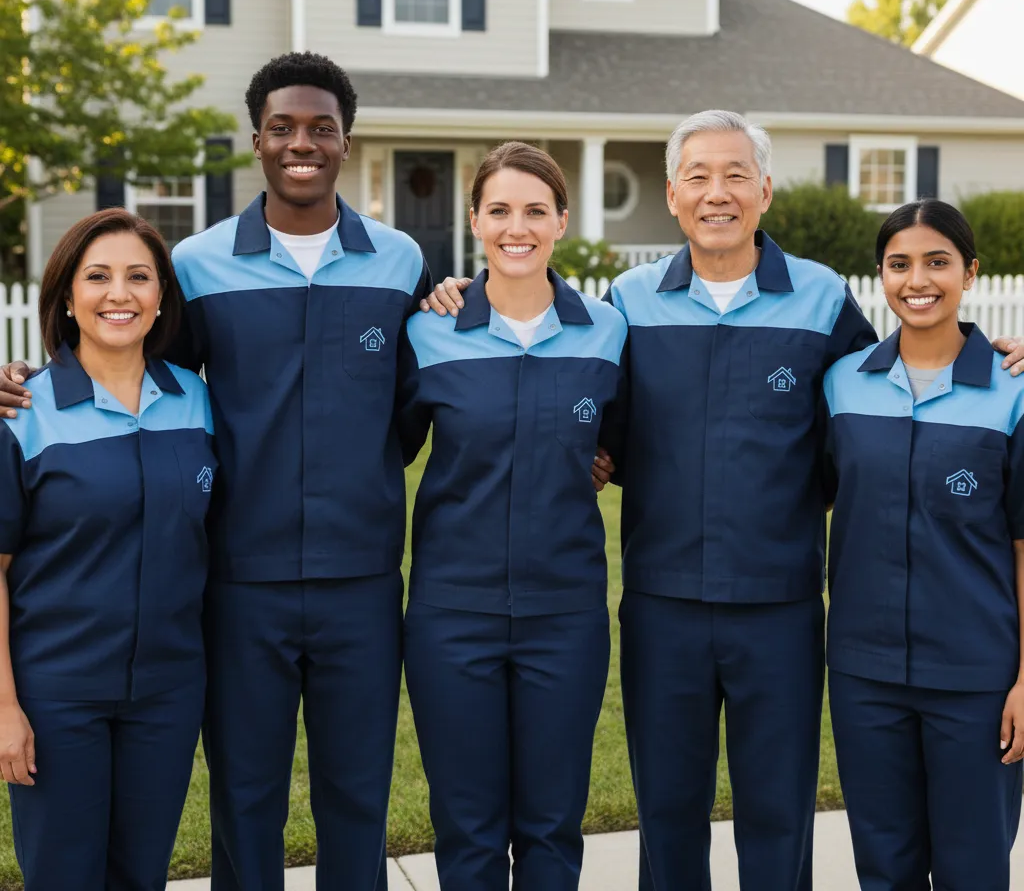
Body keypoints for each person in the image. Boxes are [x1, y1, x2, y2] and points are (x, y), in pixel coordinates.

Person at [422, 111, 1024, 891]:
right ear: (672, 195)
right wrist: (462, 292)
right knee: (668, 820)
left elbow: (896, 382)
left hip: (779, 609)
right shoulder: (629, 305)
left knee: (778, 819)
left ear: (765, 190)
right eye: (699, 177)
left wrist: (998, 346)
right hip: (661, 605)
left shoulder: (818, 299)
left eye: (737, 175)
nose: (718, 193)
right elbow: (582, 407)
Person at [0, 52, 430, 890]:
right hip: (237, 590)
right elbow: (132, 361)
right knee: (246, 799)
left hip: (363, 585)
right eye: (282, 127)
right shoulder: (193, 267)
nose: (300, 142)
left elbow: (415, 408)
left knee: (357, 798)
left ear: (347, 140)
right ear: (257, 140)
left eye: (320, 128)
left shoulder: (400, 261)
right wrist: (28, 378)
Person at [397, 142, 627, 890]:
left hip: (564, 617)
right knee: (466, 827)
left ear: (562, 220)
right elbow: (381, 449)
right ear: (475, 220)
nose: (516, 227)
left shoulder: (608, 331)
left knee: (553, 827)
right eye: (499, 210)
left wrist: (601, 459)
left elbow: (631, 442)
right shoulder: (426, 332)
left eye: (535, 210)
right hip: (450, 617)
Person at [0, 210, 214, 890]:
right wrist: (5, 709)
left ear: (160, 300)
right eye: (98, 277)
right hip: (57, 695)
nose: (119, 294)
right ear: (67, 296)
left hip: (168, 692)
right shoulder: (23, 414)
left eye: (138, 277)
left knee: (142, 875)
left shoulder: (198, 404)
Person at [823, 200, 1024, 889]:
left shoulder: (1013, 392)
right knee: (884, 868)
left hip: (975, 678)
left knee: (973, 870)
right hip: (863, 675)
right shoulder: (842, 384)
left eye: (938, 262)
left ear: (970, 273)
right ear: (879, 275)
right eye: (899, 264)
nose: (919, 280)